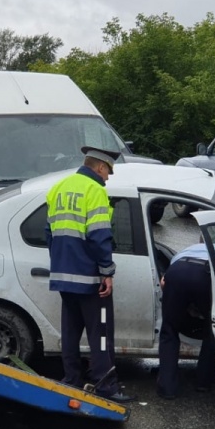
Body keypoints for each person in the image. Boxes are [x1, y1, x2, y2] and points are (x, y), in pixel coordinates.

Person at [46, 145, 133, 402]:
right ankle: (106, 386)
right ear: (101, 166)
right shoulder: (94, 190)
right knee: (102, 332)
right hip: (91, 279)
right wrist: (107, 271)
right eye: (108, 172)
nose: (108, 178)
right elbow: (98, 236)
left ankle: (71, 379)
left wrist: (62, 262)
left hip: (64, 276)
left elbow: (49, 233)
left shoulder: (59, 187)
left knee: (71, 331)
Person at [157, 238, 215, 399]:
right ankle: (203, 382)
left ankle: (167, 388)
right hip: (205, 275)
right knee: (214, 327)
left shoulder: (191, 247)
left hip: (177, 271)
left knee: (169, 330)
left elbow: (164, 282)